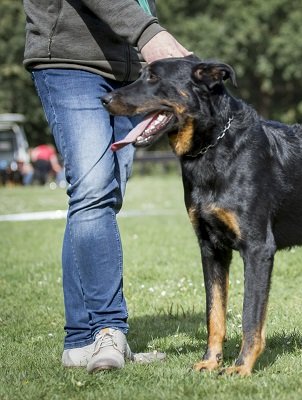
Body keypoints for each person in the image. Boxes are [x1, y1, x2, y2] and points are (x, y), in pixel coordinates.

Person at [23, 0, 191, 372]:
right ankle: (108, 329)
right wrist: (149, 33)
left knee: (98, 198)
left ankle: (80, 341)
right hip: (70, 60)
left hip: (125, 68)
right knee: (94, 191)